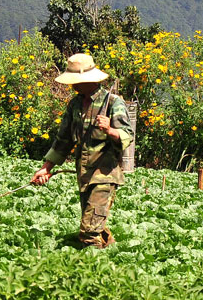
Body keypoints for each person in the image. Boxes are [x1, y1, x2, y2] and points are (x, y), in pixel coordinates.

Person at [31, 53, 134, 248]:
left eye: (76, 81)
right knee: (95, 222)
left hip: (105, 175)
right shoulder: (75, 105)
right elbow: (63, 140)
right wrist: (46, 168)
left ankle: (92, 268)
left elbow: (127, 136)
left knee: (89, 230)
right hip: (84, 175)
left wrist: (109, 130)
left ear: (89, 80)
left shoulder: (112, 103)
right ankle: (112, 255)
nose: (72, 85)